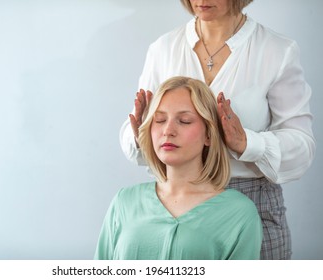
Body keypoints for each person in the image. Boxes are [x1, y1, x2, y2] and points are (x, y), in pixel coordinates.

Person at [119, 0, 315, 260]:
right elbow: (140, 136)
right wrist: (140, 132)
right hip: (178, 203)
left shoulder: (276, 50)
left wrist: (247, 143)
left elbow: (302, 146)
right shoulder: (163, 49)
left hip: (252, 200)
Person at [95, 76, 262, 260]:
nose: (168, 130)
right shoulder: (124, 202)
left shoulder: (239, 213)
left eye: (184, 121)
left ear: (208, 134)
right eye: (159, 120)